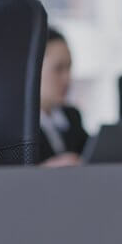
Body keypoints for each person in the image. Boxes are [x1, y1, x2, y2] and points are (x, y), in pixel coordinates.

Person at [37, 27, 89, 167]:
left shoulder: (72, 117)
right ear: (33, 71)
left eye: (69, 68)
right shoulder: (14, 130)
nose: (67, 79)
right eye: (58, 69)